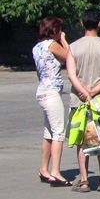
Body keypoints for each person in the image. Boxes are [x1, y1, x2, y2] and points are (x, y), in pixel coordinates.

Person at [67, 9, 100, 192]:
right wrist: (95, 91)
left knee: (83, 139)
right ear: (99, 24)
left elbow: (71, 75)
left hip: (79, 101)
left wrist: (84, 92)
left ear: (82, 24)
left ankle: (83, 180)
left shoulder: (73, 47)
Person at [33, 17, 73, 186]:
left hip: (42, 90)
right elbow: (70, 57)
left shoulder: (36, 47)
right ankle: (56, 172)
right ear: (54, 30)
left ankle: (44, 169)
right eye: (59, 29)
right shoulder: (51, 44)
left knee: (48, 132)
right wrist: (64, 40)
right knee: (58, 132)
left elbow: (38, 72)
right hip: (51, 93)